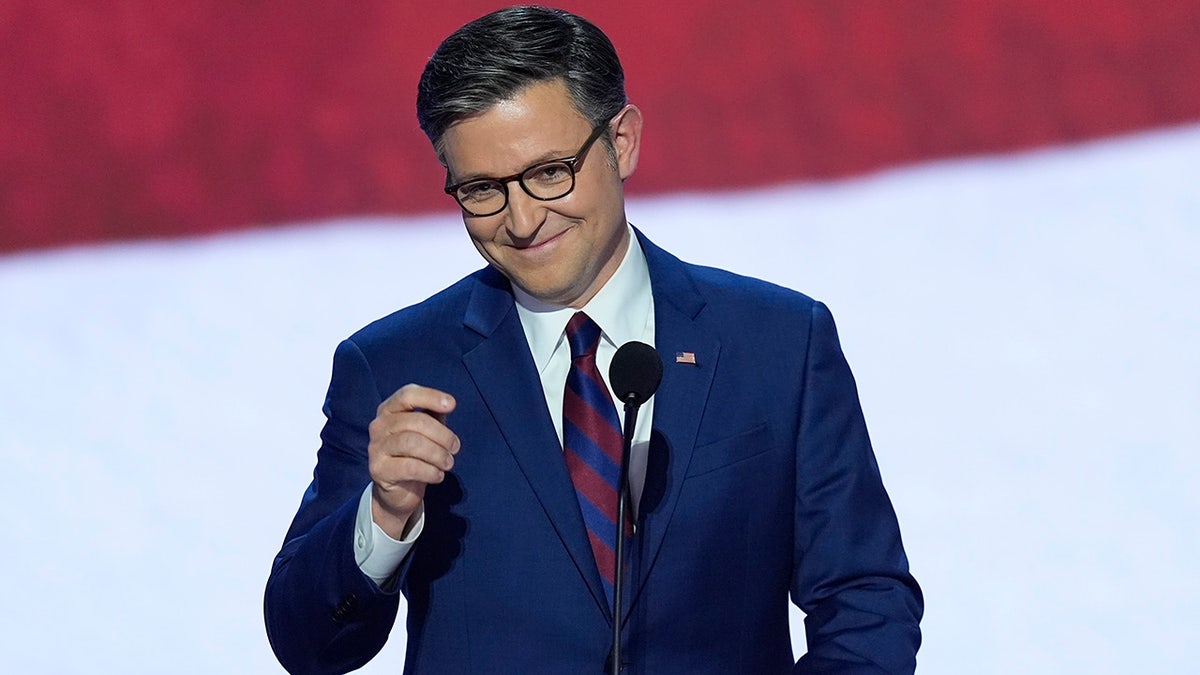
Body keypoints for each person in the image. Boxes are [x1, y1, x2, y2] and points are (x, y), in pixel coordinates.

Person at [264, 6, 922, 673]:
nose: (522, 220)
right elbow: (308, 645)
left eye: (550, 172)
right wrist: (384, 515)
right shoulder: (392, 368)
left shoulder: (779, 342)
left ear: (623, 141)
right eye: (483, 189)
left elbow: (863, 598)